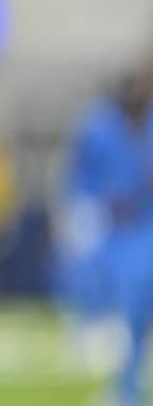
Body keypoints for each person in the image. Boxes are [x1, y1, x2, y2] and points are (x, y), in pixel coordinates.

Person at [56, 62, 153, 406]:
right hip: (120, 224)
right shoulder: (101, 125)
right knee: (132, 308)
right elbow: (83, 172)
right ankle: (127, 388)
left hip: (144, 222)